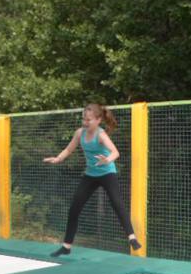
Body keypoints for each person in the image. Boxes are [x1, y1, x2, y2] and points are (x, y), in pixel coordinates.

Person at [44, 103, 142, 256]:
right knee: (74, 208)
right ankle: (66, 246)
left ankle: (132, 238)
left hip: (107, 173)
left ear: (98, 120)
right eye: (84, 119)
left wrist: (107, 160)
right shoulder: (79, 133)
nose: (85, 122)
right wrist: (58, 158)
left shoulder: (101, 135)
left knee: (117, 203)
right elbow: (69, 149)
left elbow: (115, 152)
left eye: (88, 120)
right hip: (90, 174)